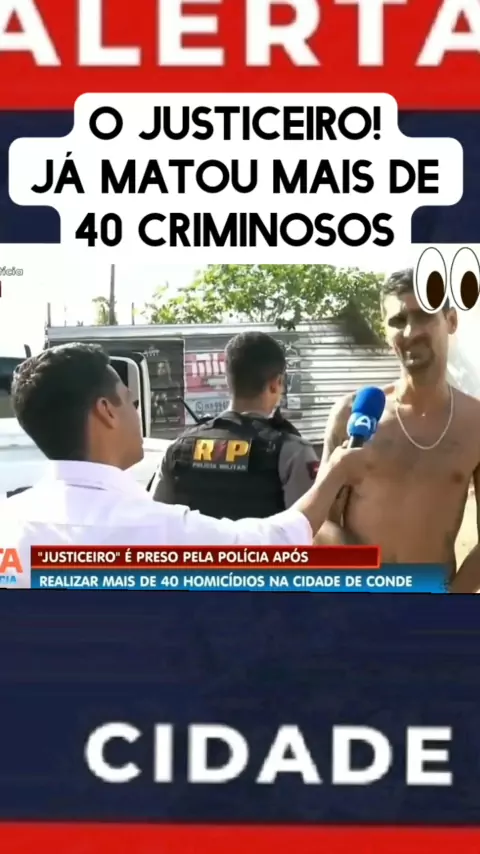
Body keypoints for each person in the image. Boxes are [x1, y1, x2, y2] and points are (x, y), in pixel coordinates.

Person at [0, 343, 372, 588]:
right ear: (106, 411)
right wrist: (335, 473)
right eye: (131, 402)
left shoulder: (9, 521)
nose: (136, 414)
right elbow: (276, 544)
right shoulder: (155, 530)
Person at [316, 268, 480, 591]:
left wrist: (448, 604)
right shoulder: (353, 414)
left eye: (424, 317)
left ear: (451, 321)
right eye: (397, 320)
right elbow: (321, 520)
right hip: (358, 603)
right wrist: (371, 587)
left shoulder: (475, 423)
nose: (410, 331)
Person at [151, 332, 320, 518]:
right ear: (276, 383)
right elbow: (311, 528)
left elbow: (154, 521)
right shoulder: (292, 453)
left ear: (227, 379)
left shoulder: (178, 449)